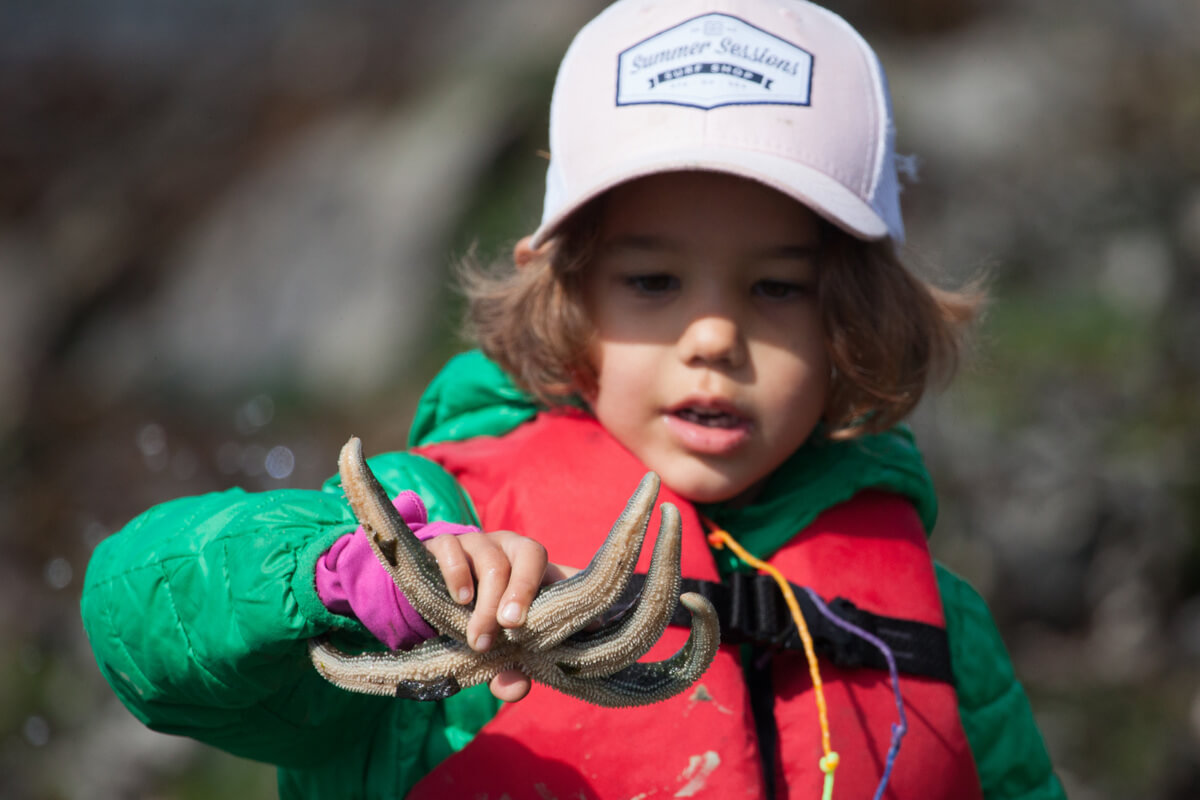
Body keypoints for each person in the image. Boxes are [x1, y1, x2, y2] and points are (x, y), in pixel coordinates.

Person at [81, 1, 1066, 798]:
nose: (713, 336)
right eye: (652, 282)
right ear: (568, 295)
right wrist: (344, 574)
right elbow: (136, 611)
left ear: (853, 314)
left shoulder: (943, 620)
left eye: (776, 287)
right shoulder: (428, 538)